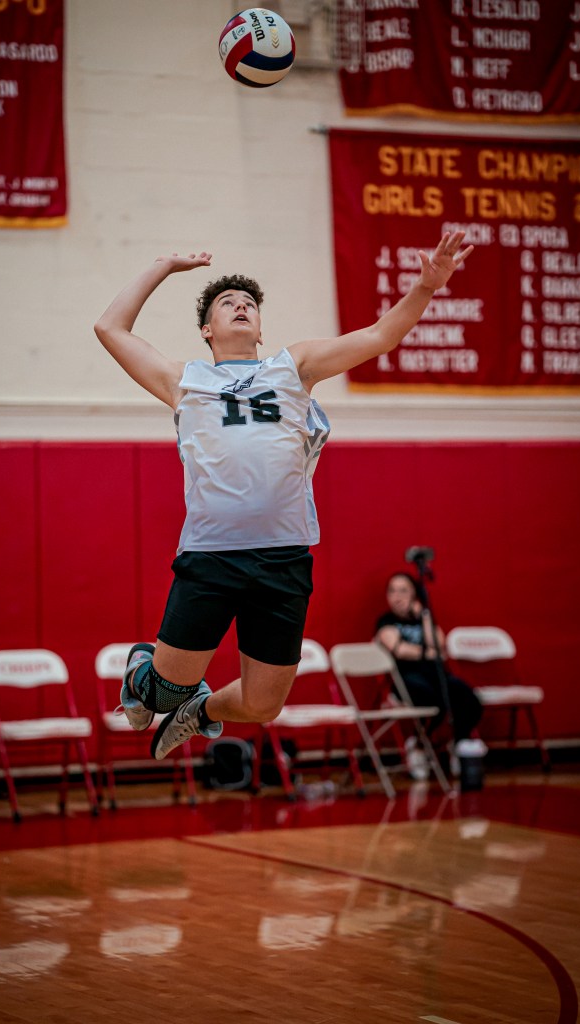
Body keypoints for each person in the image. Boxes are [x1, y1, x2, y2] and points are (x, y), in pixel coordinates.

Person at [94, 231, 474, 761]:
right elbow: (109, 328)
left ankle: (200, 712)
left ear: (260, 327)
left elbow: (380, 336)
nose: (241, 306)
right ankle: (146, 670)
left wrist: (426, 287)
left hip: (282, 558)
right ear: (207, 329)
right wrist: (164, 265)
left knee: (262, 704)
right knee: (161, 693)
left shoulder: (292, 367)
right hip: (211, 555)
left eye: (249, 303)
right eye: (227, 303)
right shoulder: (184, 380)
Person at [375, 572, 483, 775]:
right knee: (433, 699)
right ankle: (417, 744)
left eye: (403, 591)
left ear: (414, 595)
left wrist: (424, 616)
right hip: (406, 679)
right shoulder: (386, 621)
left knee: (469, 699)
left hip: (434, 675)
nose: (397, 596)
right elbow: (399, 650)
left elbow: (439, 643)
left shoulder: (423, 619)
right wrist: (428, 653)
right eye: (392, 591)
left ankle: (458, 742)